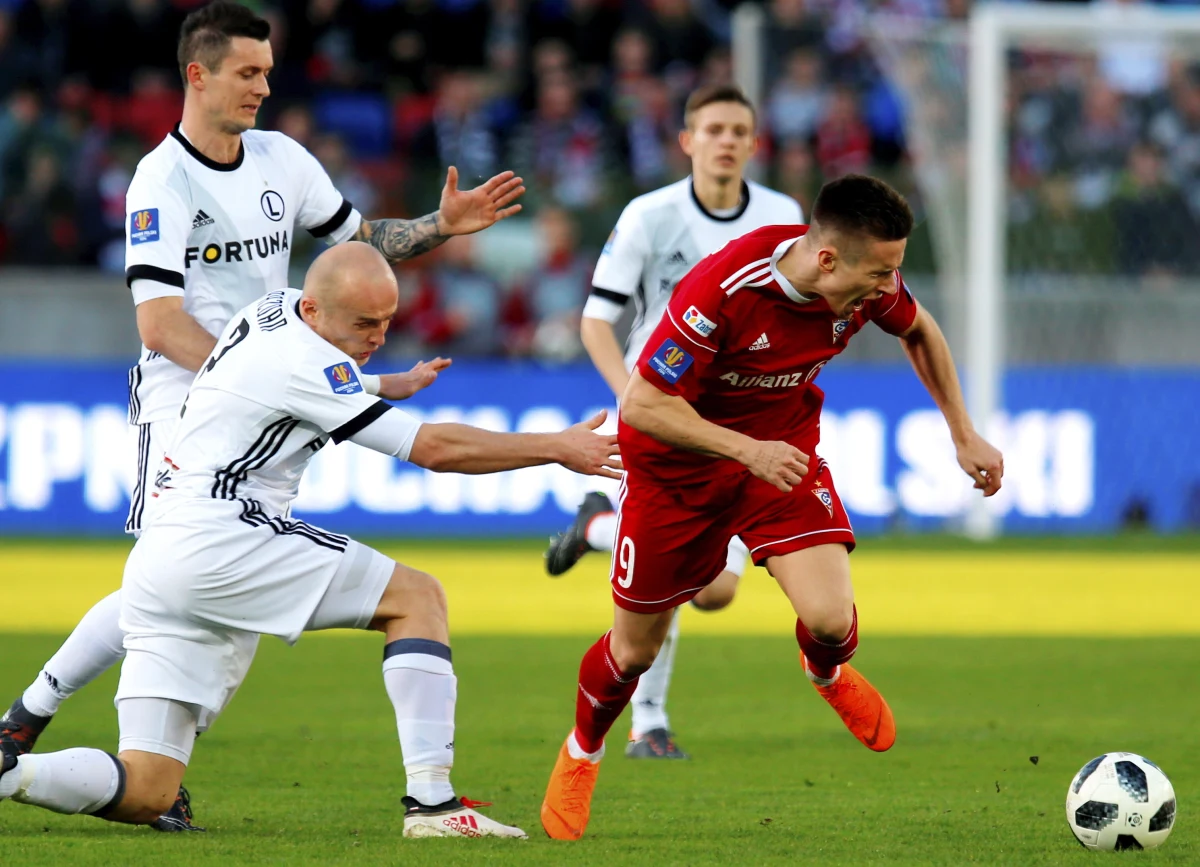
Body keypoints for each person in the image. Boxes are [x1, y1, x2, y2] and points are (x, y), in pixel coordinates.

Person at [0, 1, 525, 831]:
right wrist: (268, 380)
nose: (263, 87)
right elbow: (159, 323)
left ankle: (96, 753)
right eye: (247, 72)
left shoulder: (282, 159)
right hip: (192, 395)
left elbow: (360, 244)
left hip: (283, 389)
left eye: (269, 72)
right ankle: (27, 718)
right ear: (197, 75)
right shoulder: (161, 181)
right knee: (167, 567)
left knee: (173, 577)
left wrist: (440, 226)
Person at [0, 242, 620, 838]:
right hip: (227, 537)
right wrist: (555, 447)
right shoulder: (307, 361)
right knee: (416, 598)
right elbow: (432, 449)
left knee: (147, 789)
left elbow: (285, 382)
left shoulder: (269, 310)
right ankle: (433, 804)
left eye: (386, 321)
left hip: (164, 556)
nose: (378, 336)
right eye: (364, 323)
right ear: (318, 311)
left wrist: (378, 384)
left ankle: (12, 772)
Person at [539, 175, 1005, 840]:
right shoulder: (723, 290)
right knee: (632, 653)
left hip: (777, 459)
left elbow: (921, 328)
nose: (888, 288)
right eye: (880, 273)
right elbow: (642, 403)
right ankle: (583, 750)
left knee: (829, 617)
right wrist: (744, 449)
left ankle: (826, 670)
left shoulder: (867, 280)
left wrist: (963, 430)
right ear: (826, 260)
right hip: (676, 473)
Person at [543, 84, 802, 759]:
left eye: (738, 130)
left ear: (753, 143)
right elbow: (598, 319)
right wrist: (636, 398)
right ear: (687, 141)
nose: (725, 140)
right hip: (660, 417)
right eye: (712, 128)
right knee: (667, 578)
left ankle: (595, 526)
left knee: (715, 591)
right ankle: (648, 721)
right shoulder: (648, 216)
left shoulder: (784, 217)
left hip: (741, 420)